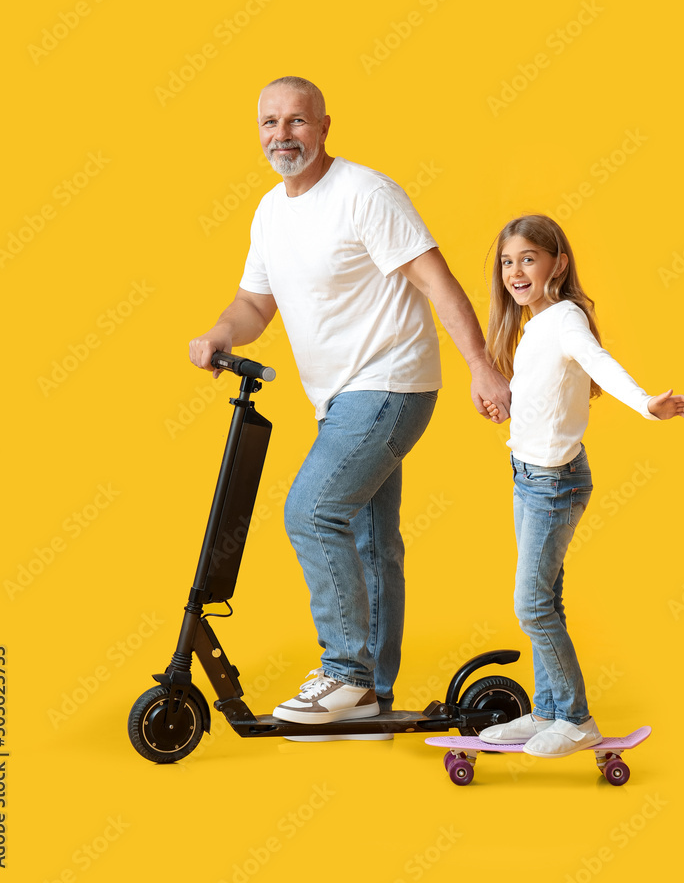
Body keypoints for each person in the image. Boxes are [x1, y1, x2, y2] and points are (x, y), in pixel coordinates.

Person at [189, 76, 510, 731]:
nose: (282, 135)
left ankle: (344, 673)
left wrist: (481, 365)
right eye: (269, 123)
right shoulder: (270, 212)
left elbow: (435, 280)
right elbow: (254, 304)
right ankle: (370, 692)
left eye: (296, 121)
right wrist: (221, 333)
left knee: (311, 511)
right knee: (370, 541)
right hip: (339, 400)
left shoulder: (365, 193)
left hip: (389, 384)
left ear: (324, 126)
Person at [477, 214, 684, 758]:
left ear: (559, 263)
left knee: (530, 605)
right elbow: (545, 393)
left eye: (529, 258)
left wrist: (647, 403)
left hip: (555, 484)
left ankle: (575, 718)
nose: (516, 271)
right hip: (527, 476)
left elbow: (600, 363)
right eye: (508, 261)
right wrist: (506, 403)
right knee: (545, 597)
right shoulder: (534, 324)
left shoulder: (566, 318)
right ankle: (547, 711)